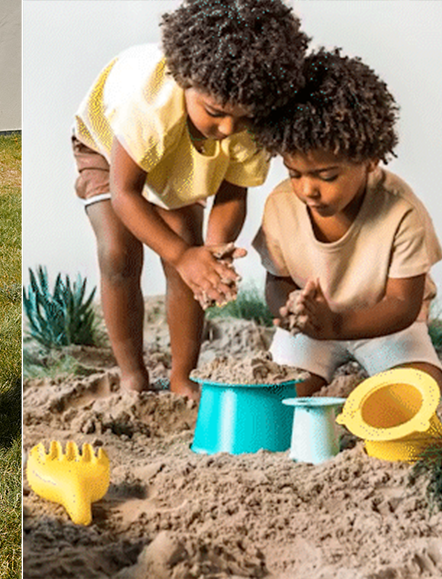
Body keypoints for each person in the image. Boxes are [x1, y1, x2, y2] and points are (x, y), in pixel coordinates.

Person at [72, 0, 309, 399]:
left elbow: (233, 192)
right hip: (109, 149)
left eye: (243, 118)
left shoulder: (250, 124)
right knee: (118, 253)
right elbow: (126, 193)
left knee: (191, 253)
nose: (228, 127)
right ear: (184, 79)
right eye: (215, 111)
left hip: (182, 165)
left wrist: (211, 254)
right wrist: (183, 256)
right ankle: (133, 373)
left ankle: (184, 376)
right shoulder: (145, 106)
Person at [252, 49, 442, 396]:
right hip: (311, 330)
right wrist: (291, 310)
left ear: (369, 160)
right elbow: (276, 280)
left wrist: (338, 324)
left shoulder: (400, 211)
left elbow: (403, 304)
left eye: (326, 175)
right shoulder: (281, 205)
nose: (308, 189)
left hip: (386, 327)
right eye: (295, 173)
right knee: (278, 398)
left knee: (419, 393)